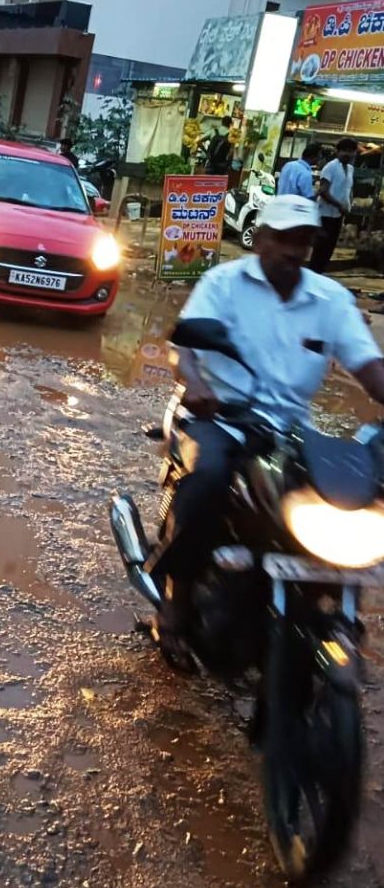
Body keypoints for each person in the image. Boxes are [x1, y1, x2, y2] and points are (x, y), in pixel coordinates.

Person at [150, 194, 384, 666]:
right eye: (283, 238)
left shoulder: (332, 300)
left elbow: (369, 368)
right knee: (208, 479)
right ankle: (174, 601)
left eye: (303, 240)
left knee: (351, 490)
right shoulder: (222, 283)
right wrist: (194, 382)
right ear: (261, 239)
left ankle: (318, 601)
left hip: (291, 429)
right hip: (220, 416)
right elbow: (183, 348)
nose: (293, 250)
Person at [310, 136, 357, 274]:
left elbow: (348, 189)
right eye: (345, 150)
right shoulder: (330, 167)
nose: (348, 154)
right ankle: (314, 273)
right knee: (321, 248)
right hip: (326, 214)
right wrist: (339, 205)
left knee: (330, 248)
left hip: (338, 215)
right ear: (338, 151)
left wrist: (348, 204)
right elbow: (323, 191)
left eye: (351, 151)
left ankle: (320, 273)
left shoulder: (350, 169)